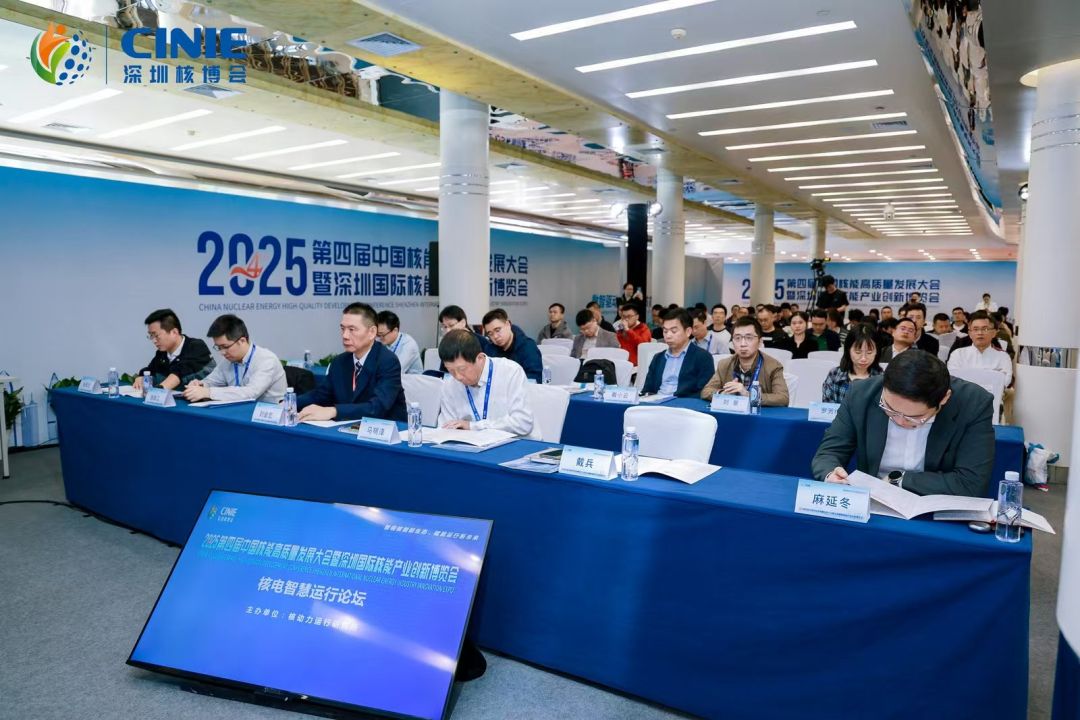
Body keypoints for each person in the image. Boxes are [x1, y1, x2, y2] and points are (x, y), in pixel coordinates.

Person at [812, 350, 996, 497]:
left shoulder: (973, 403)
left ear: (944, 398)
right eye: (889, 409)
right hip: (875, 502)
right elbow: (829, 452)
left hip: (933, 503)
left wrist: (899, 480)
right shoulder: (861, 394)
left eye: (914, 418)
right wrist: (831, 474)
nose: (900, 421)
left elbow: (971, 483)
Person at [296, 302, 407, 422]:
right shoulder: (340, 362)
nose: (345, 335)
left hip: (387, 428)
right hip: (349, 427)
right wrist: (290, 403)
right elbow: (321, 395)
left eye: (352, 329)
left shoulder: (387, 361)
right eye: (342, 329)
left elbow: (377, 407)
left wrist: (334, 411)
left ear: (372, 332)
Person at [437, 329, 537, 438]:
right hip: (470, 444)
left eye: (462, 369)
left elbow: (523, 423)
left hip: (516, 443)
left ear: (479, 358)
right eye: (451, 370)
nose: (458, 377)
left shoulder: (510, 372)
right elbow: (445, 426)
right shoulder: (450, 383)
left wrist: (474, 426)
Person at [181, 314, 287, 404]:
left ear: (242, 341)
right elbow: (211, 381)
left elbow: (251, 393)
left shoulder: (266, 359)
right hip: (241, 412)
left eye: (225, 347)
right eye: (219, 347)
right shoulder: (228, 360)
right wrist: (200, 385)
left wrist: (208, 392)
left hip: (267, 415)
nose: (222, 352)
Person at [701, 317, 789, 406]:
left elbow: (783, 398)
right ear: (732, 342)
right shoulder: (724, 364)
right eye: (737, 338)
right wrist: (723, 394)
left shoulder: (773, 366)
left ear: (759, 342)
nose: (743, 344)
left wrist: (748, 395)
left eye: (749, 338)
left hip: (760, 413)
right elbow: (706, 391)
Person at [134, 308, 216, 392]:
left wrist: (158, 392)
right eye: (151, 336)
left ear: (174, 332)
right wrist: (141, 377)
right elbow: (151, 370)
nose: (154, 340)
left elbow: (179, 372)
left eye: (156, 335)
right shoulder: (162, 352)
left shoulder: (196, 346)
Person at [641, 308, 716, 398]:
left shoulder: (703, 357)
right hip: (656, 402)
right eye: (665, 331)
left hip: (683, 404)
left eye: (673, 331)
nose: (668, 336)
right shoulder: (658, 358)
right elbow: (647, 390)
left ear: (688, 331)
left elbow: (703, 392)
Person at [947, 311, 1013, 387]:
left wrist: (969, 376)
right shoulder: (958, 354)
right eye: (975, 329)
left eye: (985, 329)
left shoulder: (1003, 356)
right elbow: (954, 379)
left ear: (994, 333)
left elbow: (1004, 382)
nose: (980, 333)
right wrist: (992, 375)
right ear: (970, 333)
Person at [821, 325, 883, 404]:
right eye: (858, 352)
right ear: (848, 350)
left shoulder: (882, 379)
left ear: (877, 352)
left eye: (869, 352)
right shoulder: (835, 375)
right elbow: (827, 406)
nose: (863, 358)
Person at [482, 309, 543, 383]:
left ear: (508, 324)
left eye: (497, 330)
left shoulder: (528, 346)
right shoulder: (489, 350)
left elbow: (534, 378)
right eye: (490, 334)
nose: (495, 336)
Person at [376, 310, 423, 375]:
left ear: (395, 330)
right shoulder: (379, 340)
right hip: (387, 378)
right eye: (378, 335)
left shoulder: (408, 344)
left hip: (411, 380)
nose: (380, 337)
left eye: (382, 334)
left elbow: (396, 370)